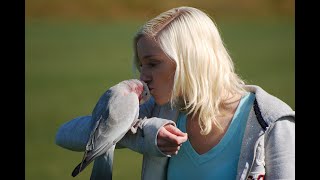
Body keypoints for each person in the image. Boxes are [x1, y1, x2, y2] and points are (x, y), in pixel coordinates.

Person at [55, 6, 295, 180]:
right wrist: (146, 135)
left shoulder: (272, 123)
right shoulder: (162, 108)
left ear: (191, 61)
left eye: (153, 63)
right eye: (141, 65)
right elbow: (64, 135)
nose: (143, 76)